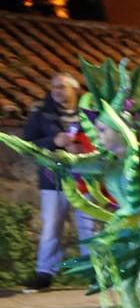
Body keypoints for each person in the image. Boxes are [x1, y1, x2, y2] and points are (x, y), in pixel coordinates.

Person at [21, 72, 97, 290]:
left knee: (89, 227)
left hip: (85, 180)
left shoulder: (89, 115)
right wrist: (53, 141)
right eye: (54, 86)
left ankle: (94, 273)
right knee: (51, 227)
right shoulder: (41, 115)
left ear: (74, 90)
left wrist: (83, 148)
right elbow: (27, 145)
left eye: (61, 86)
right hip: (52, 180)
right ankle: (45, 274)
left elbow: (103, 142)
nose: (56, 90)